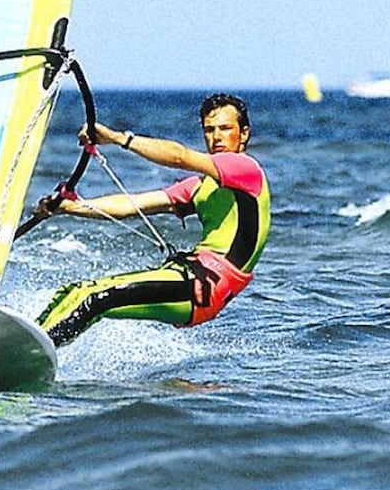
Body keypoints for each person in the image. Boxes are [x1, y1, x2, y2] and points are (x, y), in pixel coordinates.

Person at [29, 93, 270, 348]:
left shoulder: (245, 169)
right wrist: (70, 207)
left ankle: (32, 352)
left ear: (244, 134)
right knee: (75, 292)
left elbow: (180, 157)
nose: (217, 136)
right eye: (209, 130)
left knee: (94, 298)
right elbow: (130, 205)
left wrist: (117, 138)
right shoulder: (199, 187)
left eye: (225, 128)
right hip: (186, 276)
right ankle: (27, 339)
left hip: (203, 288)